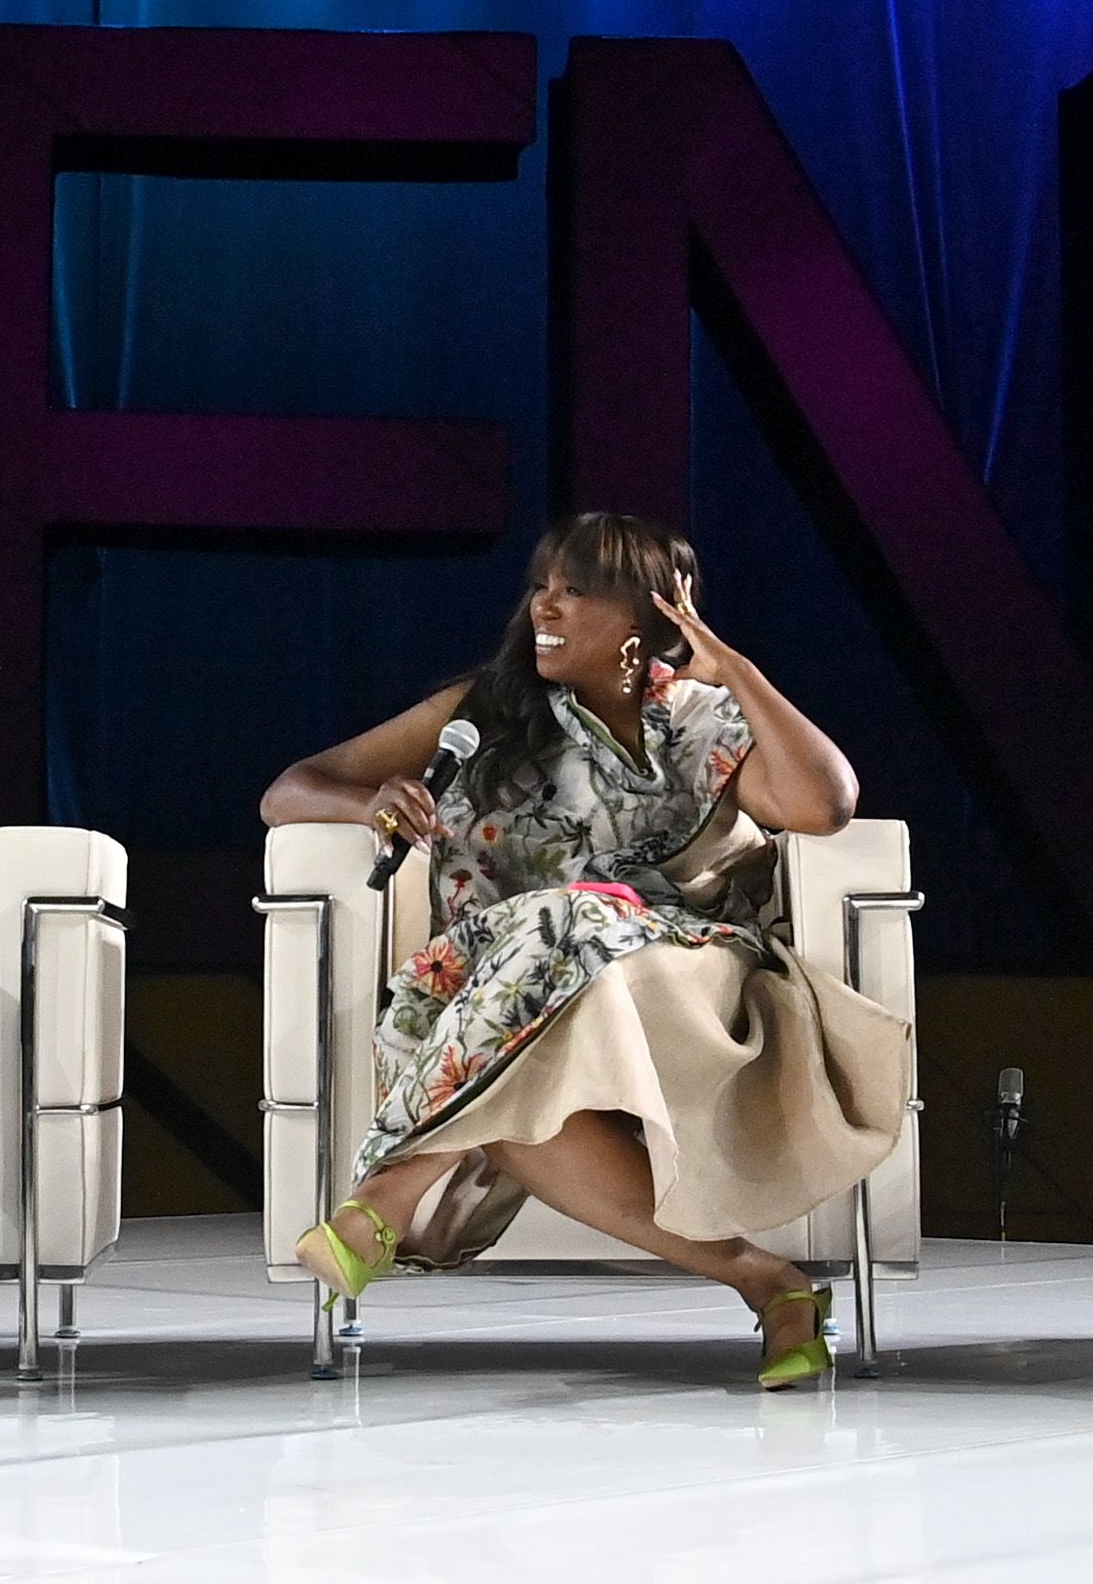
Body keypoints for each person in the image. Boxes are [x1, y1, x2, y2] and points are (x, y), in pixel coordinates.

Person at [261, 514, 910, 1389]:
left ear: (648, 615)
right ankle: (770, 1284)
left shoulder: (700, 718)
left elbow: (826, 805)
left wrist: (736, 671)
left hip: (677, 970)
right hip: (505, 995)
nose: (546, 605)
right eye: (542, 586)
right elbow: (287, 791)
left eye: (575, 590)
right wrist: (368, 802)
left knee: (567, 916)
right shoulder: (485, 712)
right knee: (515, 1093)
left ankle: (390, 1190)